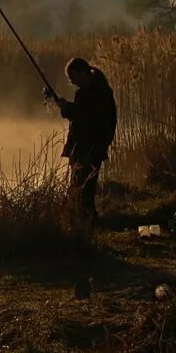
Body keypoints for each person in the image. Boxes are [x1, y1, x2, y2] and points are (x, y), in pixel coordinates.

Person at [45, 58, 117, 227]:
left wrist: (67, 107)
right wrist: (65, 107)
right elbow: (80, 116)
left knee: (82, 189)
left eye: (73, 77)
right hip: (88, 146)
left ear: (82, 72)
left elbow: (86, 118)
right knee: (80, 188)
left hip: (89, 147)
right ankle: (82, 223)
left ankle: (86, 225)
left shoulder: (96, 92)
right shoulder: (93, 90)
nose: (72, 82)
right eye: (70, 79)